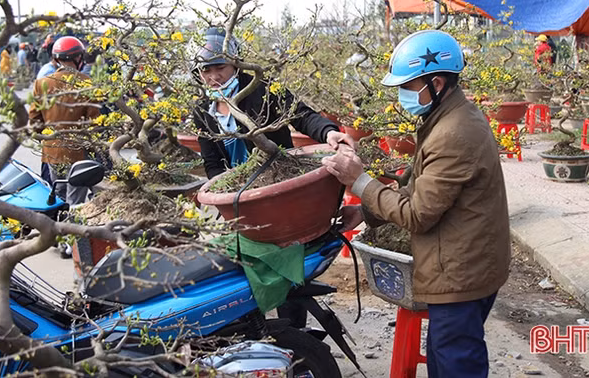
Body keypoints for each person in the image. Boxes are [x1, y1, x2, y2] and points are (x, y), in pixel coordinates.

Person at [322, 30, 510, 378]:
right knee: (443, 354)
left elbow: (418, 213)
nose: (401, 96)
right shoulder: (446, 117)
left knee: (456, 361)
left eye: (407, 87)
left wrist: (360, 181)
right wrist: (364, 213)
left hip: (461, 271)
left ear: (436, 83)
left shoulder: (453, 133)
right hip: (463, 261)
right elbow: (420, 189)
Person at [191, 27, 351, 178]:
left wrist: (328, 132)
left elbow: (301, 115)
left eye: (220, 67)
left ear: (235, 64)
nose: (214, 77)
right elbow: (212, 161)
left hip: (278, 174)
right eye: (206, 70)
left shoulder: (263, 89)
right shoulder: (203, 111)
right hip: (237, 187)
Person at [28, 36, 100, 185]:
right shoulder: (87, 84)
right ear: (78, 57)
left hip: (52, 151)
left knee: (58, 191)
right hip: (79, 151)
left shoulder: (41, 83)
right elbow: (94, 123)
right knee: (76, 198)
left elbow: (34, 120)